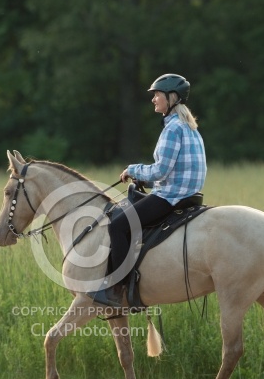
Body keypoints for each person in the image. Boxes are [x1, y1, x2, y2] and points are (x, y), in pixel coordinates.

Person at [88, 73, 207, 307]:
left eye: (157, 95)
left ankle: (118, 288)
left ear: (172, 98)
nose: (153, 99)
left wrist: (133, 170)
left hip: (171, 197)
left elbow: (161, 170)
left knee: (118, 226)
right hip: (186, 194)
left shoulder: (172, 129)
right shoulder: (190, 128)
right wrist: (145, 181)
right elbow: (176, 170)